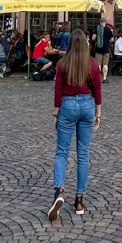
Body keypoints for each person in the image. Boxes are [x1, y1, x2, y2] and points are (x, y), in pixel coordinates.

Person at [48, 30, 102, 221]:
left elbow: (57, 91)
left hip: (68, 105)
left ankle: (59, 192)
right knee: (83, 154)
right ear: (86, 44)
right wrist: (98, 114)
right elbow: (98, 90)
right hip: (87, 105)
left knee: (62, 152)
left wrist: (56, 114)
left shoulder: (62, 64)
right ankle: (79, 200)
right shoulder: (93, 64)